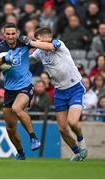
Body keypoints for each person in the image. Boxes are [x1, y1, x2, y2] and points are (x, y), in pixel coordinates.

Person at [19, 27, 88, 161]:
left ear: (46, 37)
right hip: (59, 91)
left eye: (37, 39)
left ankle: (81, 141)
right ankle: (77, 153)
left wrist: (29, 42)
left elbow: (50, 47)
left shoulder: (58, 44)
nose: (35, 41)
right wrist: (12, 59)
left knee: (72, 122)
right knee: (62, 128)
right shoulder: (40, 52)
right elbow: (30, 59)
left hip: (75, 88)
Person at [0, 23, 41, 160]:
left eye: (13, 33)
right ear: (4, 34)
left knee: (17, 108)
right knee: (10, 127)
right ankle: (20, 153)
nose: (11, 36)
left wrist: (48, 42)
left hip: (25, 86)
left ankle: (34, 138)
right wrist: (2, 59)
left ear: (17, 33)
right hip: (9, 90)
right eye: (8, 34)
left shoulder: (23, 42)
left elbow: (42, 45)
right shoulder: (0, 47)